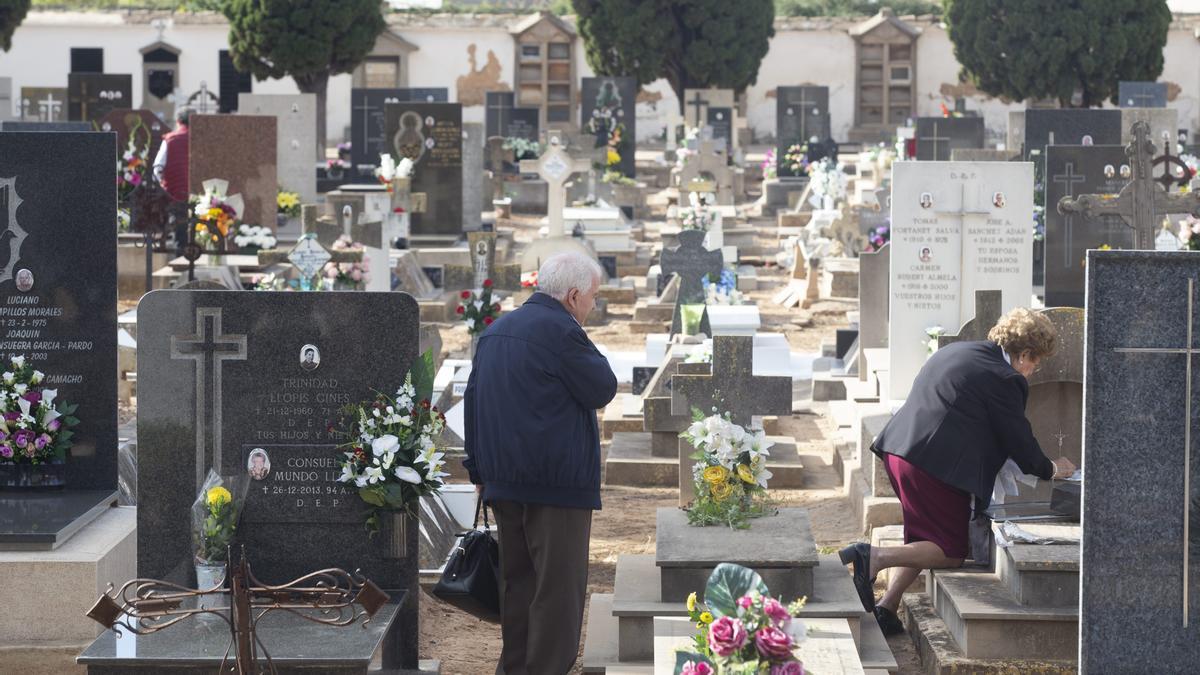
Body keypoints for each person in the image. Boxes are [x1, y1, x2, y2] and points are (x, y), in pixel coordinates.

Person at [841, 308, 1077, 635]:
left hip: (899, 451)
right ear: (1024, 354)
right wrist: (1052, 469)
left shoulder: (962, 350)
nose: (1034, 370)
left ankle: (887, 606)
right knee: (950, 552)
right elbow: (1020, 442)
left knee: (924, 538)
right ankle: (874, 557)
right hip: (929, 466)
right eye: (1035, 362)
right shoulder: (1006, 378)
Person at [463, 251, 617, 675]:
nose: (592, 306)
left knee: (518, 585)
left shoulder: (495, 333)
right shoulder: (563, 331)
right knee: (557, 592)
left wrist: (477, 471)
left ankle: (514, 668)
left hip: (504, 483)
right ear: (572, 296)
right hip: (556, 488)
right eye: (592, 297)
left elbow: (472, 401)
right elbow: (602, 387)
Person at [153, 106, 192, 254]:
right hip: (200, 194)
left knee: (179, 232)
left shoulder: (170, 139)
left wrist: (160, 185)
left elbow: (157, 168)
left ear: (177, 121)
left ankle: (180, 259)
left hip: (176, 193)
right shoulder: (201, 138)